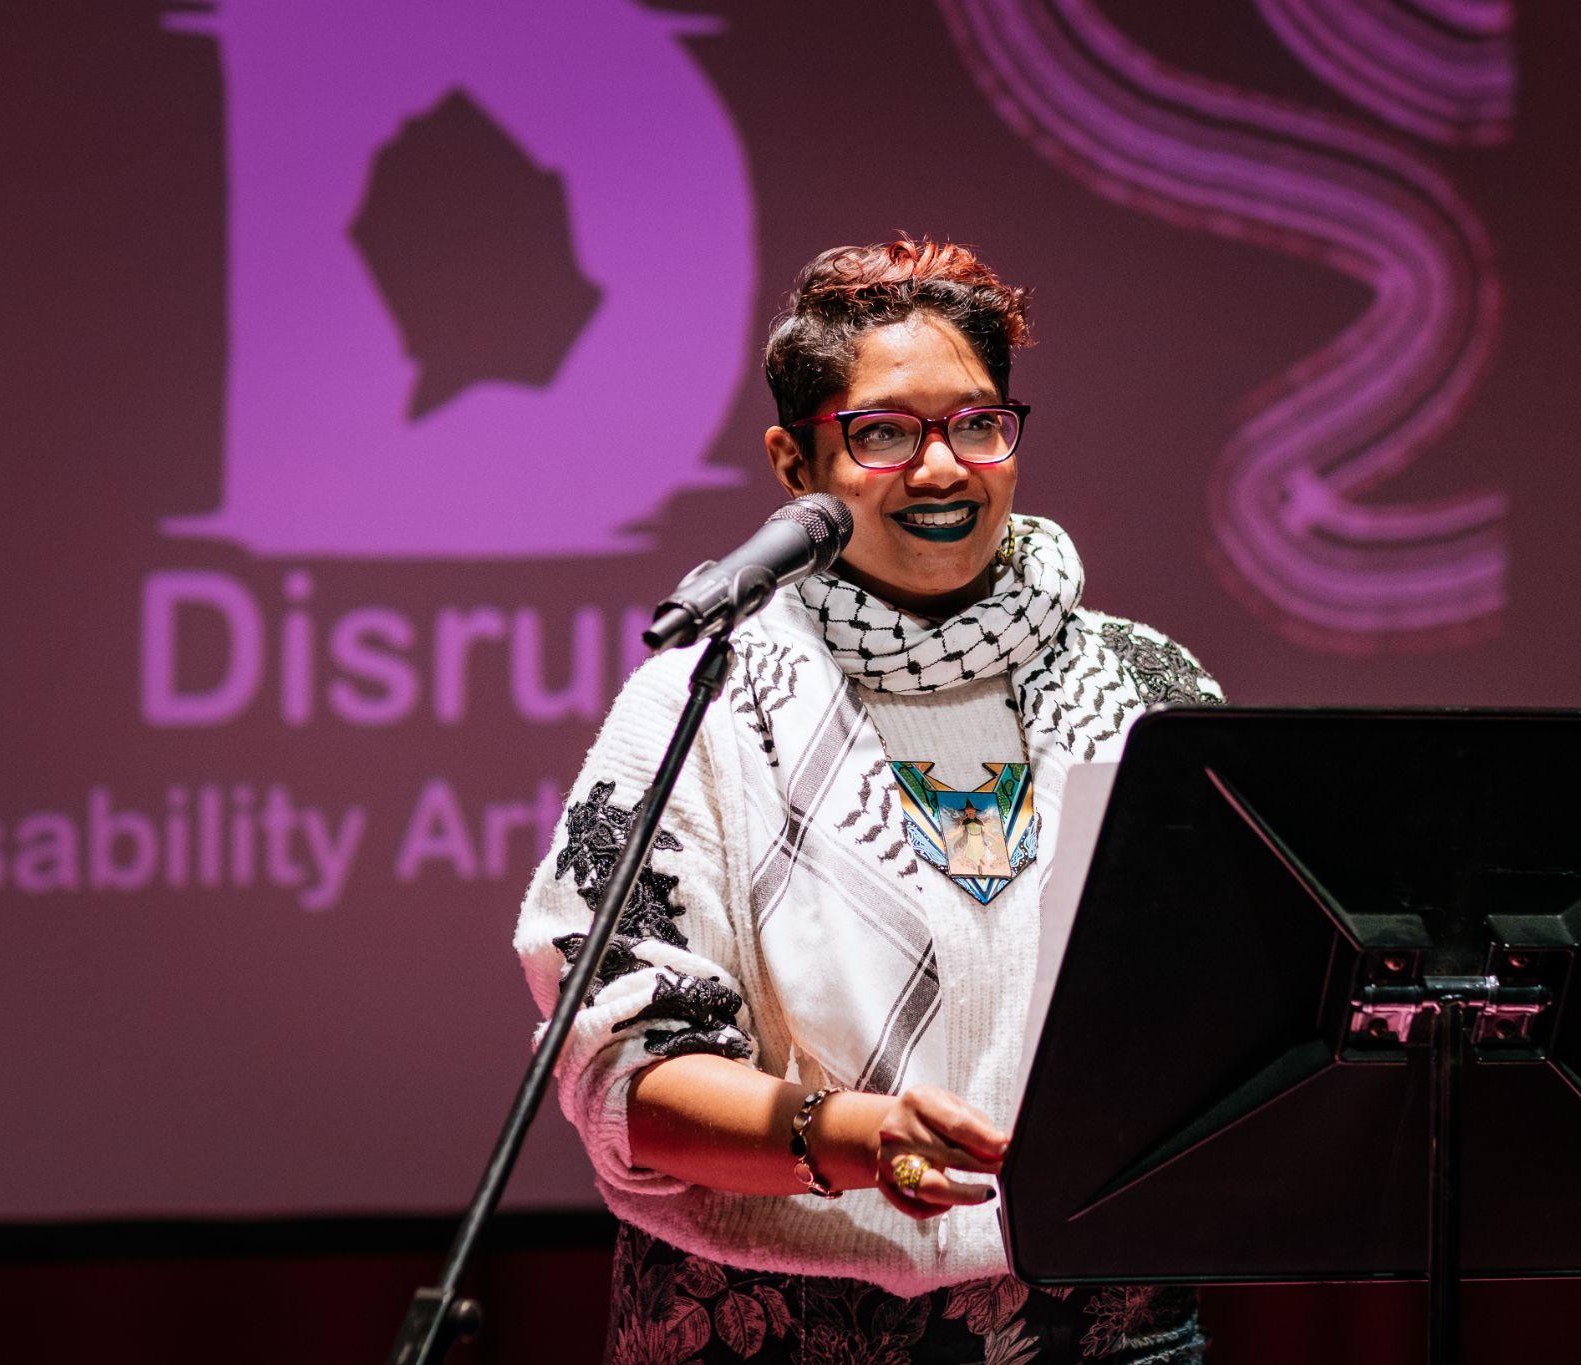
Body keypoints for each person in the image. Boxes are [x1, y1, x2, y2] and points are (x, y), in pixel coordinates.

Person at [516, 239, 1224, 1363]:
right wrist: (850, 1136)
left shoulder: (1147, 689)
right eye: (884, 433)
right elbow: (624, 1068)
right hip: (768, 1330)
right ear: (793, 463)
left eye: (976, 424)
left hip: (1104, 1325)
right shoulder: (706, 695)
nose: (941, 469)